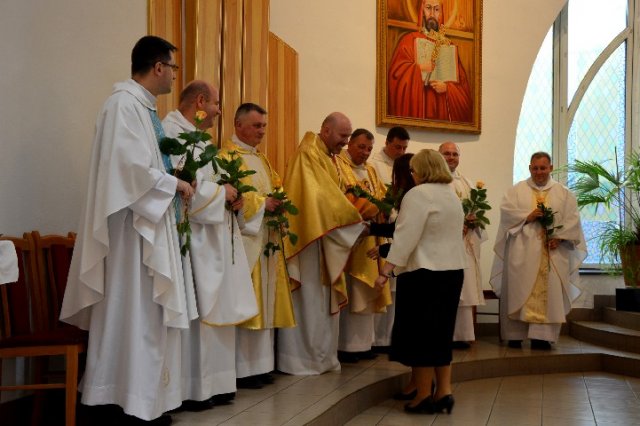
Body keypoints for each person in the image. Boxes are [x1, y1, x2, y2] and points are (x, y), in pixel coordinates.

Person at [60, 36, 195, 425]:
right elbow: (128, 169)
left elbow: (146, 165)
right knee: (132, 314)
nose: (174, 76)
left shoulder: (144, 108)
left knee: (146, 317)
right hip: (130, 232)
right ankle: (120, 403)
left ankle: (144, 401)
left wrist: (173, 178)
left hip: (147, 226)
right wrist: (174, 183)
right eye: (173, 67)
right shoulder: (123, 105)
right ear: (158, 67)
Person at [162, 81, 258, 409]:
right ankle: (195, 387)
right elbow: (182, 186)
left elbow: (208, 183)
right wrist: (221, 193)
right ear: (201, 102)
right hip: (192, 241)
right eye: (216, 104)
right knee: (199, 315)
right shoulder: (173, 134)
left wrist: (233, 196)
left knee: (215, 311)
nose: (219, 111)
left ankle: (217, 383)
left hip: (213, 237)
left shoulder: (201, 139)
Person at [375, 149, 466, 415]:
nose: (412, 174)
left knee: (422, 335)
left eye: (414, 170)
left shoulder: (418, 194)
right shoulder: (451, 194)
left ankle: (424, 395)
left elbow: (406, 236)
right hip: (452, 272)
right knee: (441, 333)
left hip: (425, 273)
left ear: (423, 170)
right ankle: (444, 392)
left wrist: (386, 270)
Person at [277, 112, 366, 375]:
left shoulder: (327, 156)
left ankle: (324, 357)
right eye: (343, 136)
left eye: (348, 136)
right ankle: (302, 360)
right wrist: (355, 218)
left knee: (322, 300)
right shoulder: (308, 154)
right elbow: (322, 199)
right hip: (310, 240)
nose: (345, 142)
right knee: (310, 301)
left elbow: (334, 195)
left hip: (326, 237)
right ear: (326, 130)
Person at [218, 103, 296, 389]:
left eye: (264, 126)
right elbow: (233, 197)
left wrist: (279, 200)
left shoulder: (261, 158)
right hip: (246, 239)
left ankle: (261, 365)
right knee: (248, 298)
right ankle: (243, 369)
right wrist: (264, 204)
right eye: (256, 125)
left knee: (267, 298)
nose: (262, 131)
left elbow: (276, 185)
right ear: (238, 125)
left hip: (267, 237)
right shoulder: (226, 157)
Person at [490, 152, 586, 350]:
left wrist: (560, 238)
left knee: (549, 295)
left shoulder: (564, 193)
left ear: (551, 168)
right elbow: (506, 214)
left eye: (543, 168)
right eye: (535, 168)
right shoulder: (516, 191)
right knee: (518, 291)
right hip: (522, 253)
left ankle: (541, 338)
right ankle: (515, 335)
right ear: (529, 168)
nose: (539, 172)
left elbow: (573, 221)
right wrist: (527, 216)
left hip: (552, 253)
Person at [335, 129, 392, 363]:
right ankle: (346, 346)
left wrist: (384, 208)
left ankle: (364, 344)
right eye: (361, 147)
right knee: (353, 289)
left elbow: (381, 197)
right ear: (349, 144)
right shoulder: (339, 166)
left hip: (371, 236)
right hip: (350, 239)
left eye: (369, 149)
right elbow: (339, 200)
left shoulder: (370, 170)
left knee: (367, 291)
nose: (365, 153)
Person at [387, 0, 472, 122]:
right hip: (420, 106)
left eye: (436, 9)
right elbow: (396, 76)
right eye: (428, 8)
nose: (432, 13)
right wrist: (420, 68)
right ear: (422, 11)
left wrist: (447, 88)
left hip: (442, 112)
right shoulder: (409, 41)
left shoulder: (449, 46)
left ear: (441, 14)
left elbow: (464, 90)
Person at [439, 142, 487, 349]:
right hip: (443, 246)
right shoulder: (435, 183)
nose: (451, 157)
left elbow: (476, 213)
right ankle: (443, 336)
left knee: (465, 288)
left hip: (465, 244)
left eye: (454, 154)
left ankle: (461, 335)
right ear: (438, 156)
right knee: (444, 291)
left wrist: (474, 221)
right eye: (446, 154)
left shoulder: (467, 183)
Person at [369, 126, 410, 352]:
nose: (400, 152)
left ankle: (389, 338)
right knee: (380, 284)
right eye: (397, 147)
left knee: (395, 287)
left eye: (404, 148)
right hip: (382, 226)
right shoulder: (373, 164)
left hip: (397, 227)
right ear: (387, 143)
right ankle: (375, 339)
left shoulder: (405, 166)